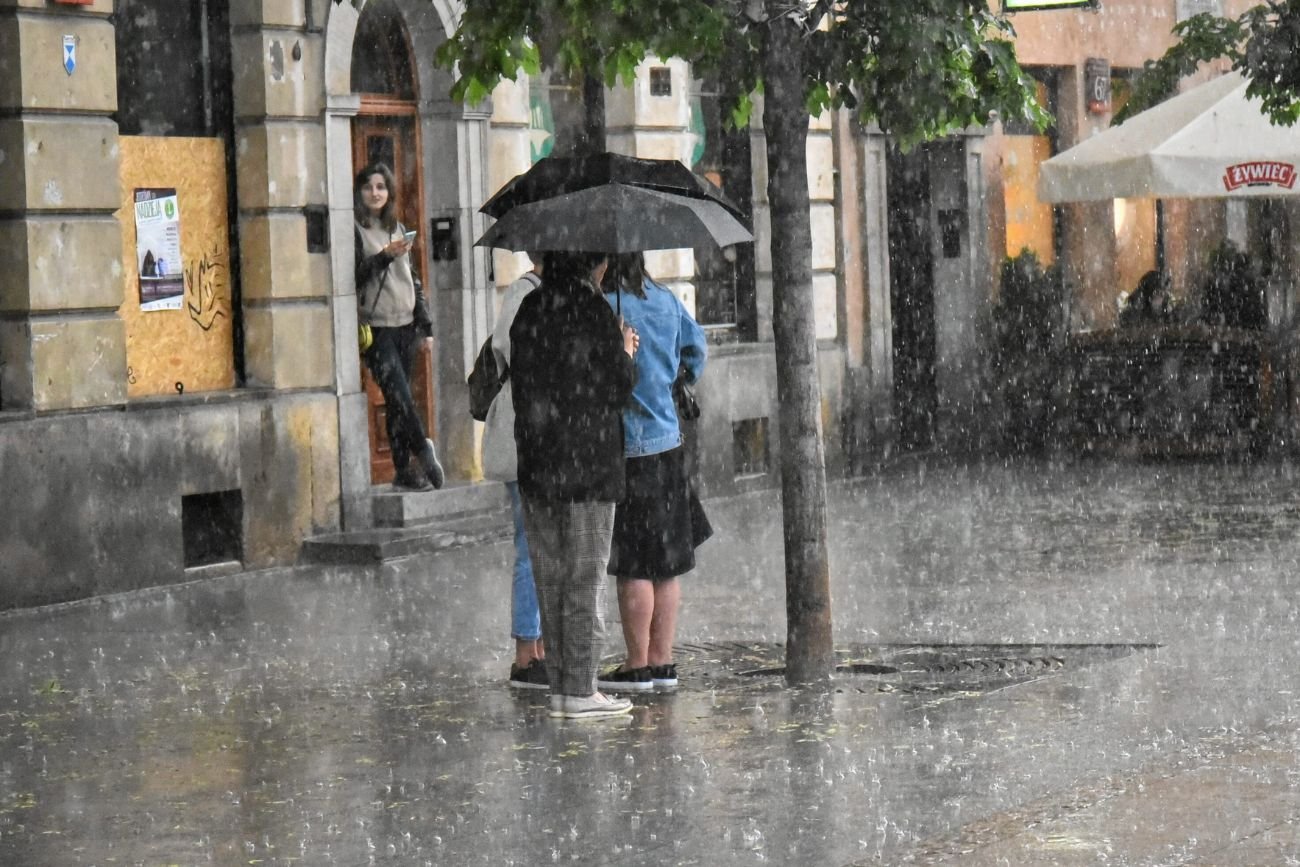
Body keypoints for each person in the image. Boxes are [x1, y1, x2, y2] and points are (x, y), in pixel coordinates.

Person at [511, 250, 639, 720]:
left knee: (552, 579)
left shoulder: (530, 308)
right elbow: (614, 389)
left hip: (538, 465)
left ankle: (563, 685)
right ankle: (582, 688)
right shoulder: (593, 310)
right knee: (584, 580)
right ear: (594, 264)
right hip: (586, 468)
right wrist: (624, 351)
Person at [595, 253, 710, 693]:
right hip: (668, 443)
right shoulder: (666, 299)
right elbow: (696, 351)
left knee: (633, 564)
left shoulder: (605, 308)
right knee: (666, 563)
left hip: (626, 449)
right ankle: (662, 662)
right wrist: (672, 377)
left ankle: (637, 664)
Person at [354, 162, 444, 492]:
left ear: (389, 192)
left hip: (406, 325)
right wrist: (383, 257)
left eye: (380, 187)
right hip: (377, 328)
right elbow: (353, 278)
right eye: (368, 187)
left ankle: (402, 469)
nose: (375, 193)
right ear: (360, 192)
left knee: (396, 402)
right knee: (400, 394)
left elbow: (413, 280)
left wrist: (426, 325)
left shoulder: (397, 227)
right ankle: (422, 448)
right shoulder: (355, 229)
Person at [482, 254, 546, 689]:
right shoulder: (524, 292)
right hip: (525, 435)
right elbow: (510, 351)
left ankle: (537, 648)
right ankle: (526, 654)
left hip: (539, 435)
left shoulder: (545, 294)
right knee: (530, 546)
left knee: (539, 547)